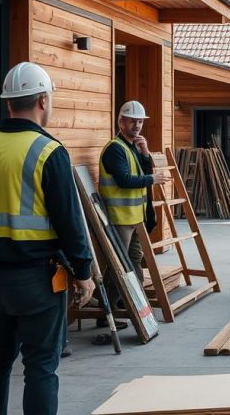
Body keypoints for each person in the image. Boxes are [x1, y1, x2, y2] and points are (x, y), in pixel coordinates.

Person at [0, 62, 95, 415]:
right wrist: (83, 273)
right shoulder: (49, 152)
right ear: (41, 100)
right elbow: (69, 222)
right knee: (40, 368)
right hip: (36, 280)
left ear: (8, 104)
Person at [98, 100, 170, 330]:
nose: (137, 125)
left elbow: (143, 170)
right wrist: (152, 179)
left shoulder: (131, 147)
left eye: (140, 121)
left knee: (135, 263)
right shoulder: (115, 149)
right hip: (120, 218)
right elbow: (125, 180)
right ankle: (105, 311)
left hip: (134, 217)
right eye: (132, 121)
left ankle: (139, 310)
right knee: (118, 266)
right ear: (121, 122)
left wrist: (146, 153)